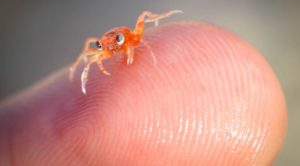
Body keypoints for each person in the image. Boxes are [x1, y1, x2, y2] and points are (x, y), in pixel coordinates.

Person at [0, 22, 287, 165]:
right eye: (104, 44)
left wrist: (133, 46)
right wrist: (86, 66)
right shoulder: (104, 47)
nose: (105, 48)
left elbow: (142, 26)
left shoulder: (134, 37)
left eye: (111, 43)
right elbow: (96, 46)